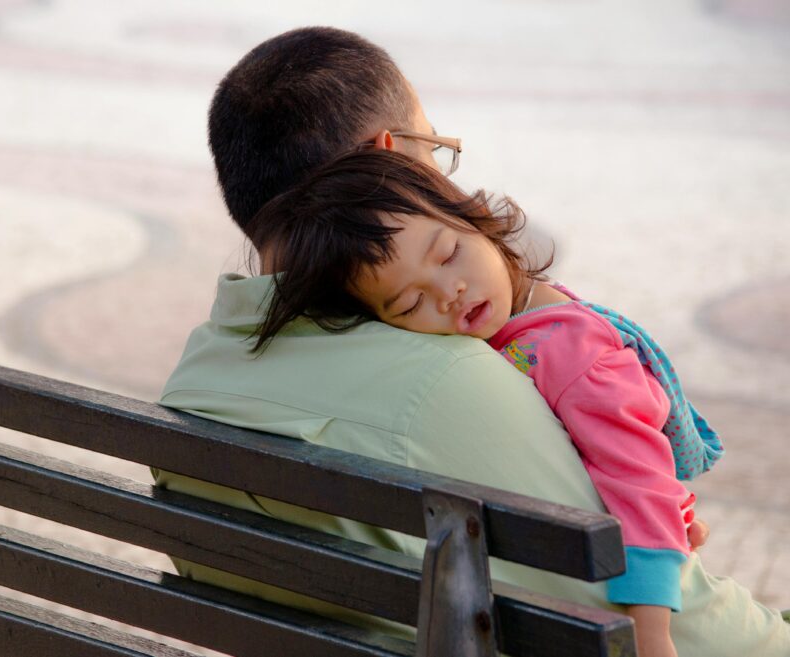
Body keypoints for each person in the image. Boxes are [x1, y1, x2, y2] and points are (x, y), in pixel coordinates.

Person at [155, 26, 790, 656]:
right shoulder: (441, 381)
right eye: (433, 150)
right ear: (393, 156)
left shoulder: (197, 372)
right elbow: (691, 629)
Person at [242, 147, 733, 656]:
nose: (449, 291)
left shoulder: (575, 356)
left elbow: (640, 481)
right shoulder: (515, 313)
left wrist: (651, 631)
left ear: (477, 220)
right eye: (410, 303)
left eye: (449, 253)